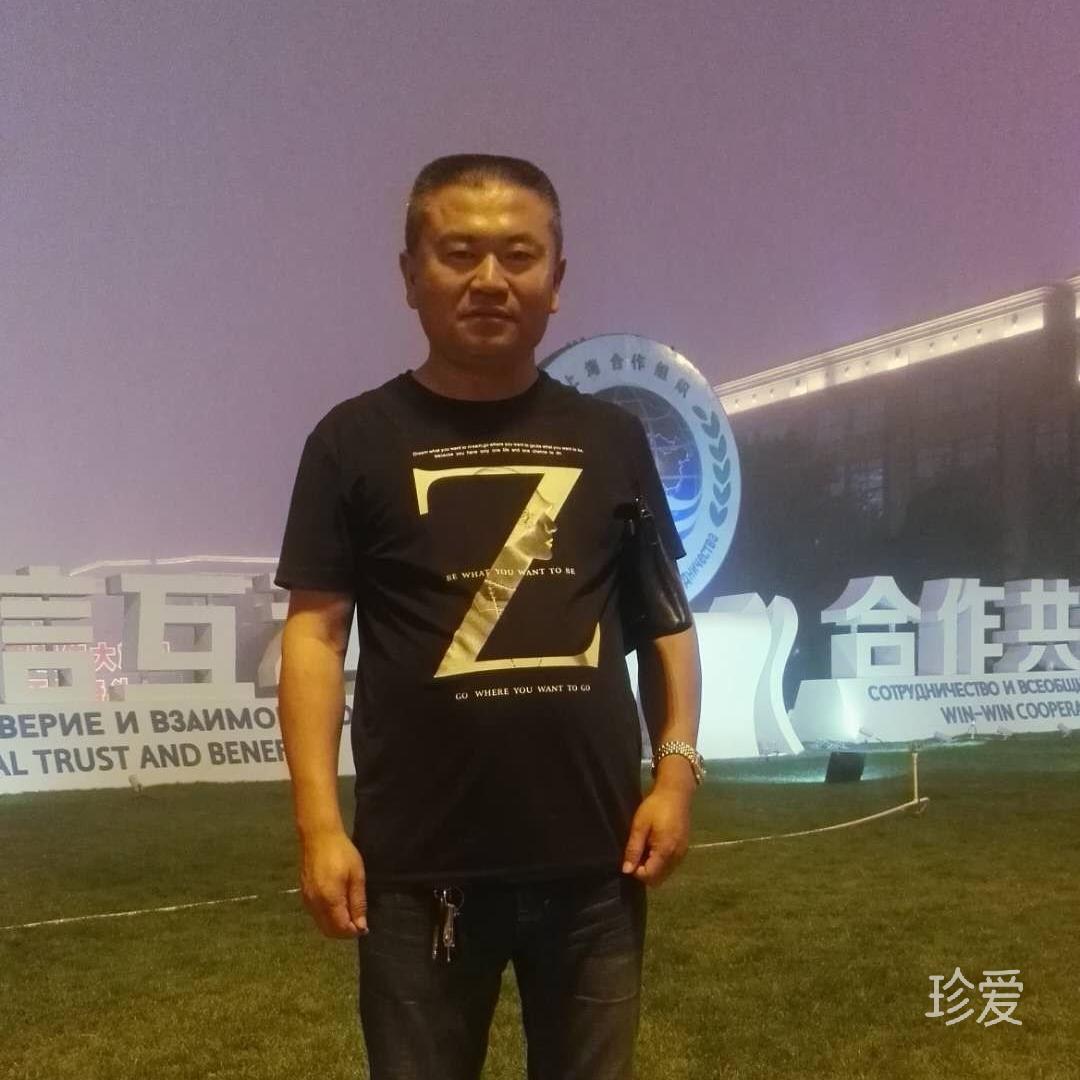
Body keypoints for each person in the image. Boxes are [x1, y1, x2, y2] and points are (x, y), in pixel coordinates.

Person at [275, 153, 703, 1080]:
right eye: (459, 253)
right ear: (409, 275)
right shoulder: (351, 441)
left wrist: (674, 776)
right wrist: (319, 825)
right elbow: (314, 636)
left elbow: (664, 620)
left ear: (557, 279)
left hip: (597, 868)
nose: (489, 279)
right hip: (415, 875)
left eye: (518, 254)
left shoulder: (612, 438)